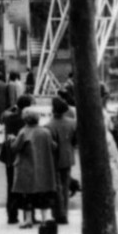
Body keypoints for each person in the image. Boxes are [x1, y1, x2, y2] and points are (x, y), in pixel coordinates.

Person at [12, 107, 57, 229]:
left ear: (25, 119)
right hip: (44, 166)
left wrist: (12, 140)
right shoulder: (45, 131)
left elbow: (16, 147)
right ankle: (44, 219)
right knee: (43, 195)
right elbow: (54, 146)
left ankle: (28, 220)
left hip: (27, 166)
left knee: (27, 195)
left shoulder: (23, 132)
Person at [0, 94, 31, 224]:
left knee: (11, 185)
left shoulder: (9, 118)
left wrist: (14, 107)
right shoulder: (27, 119)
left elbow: (3, 115)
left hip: (10, 155)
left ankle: (12, 215)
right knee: (26, 186)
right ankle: (28, 215)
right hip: (23, 154)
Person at [47, 95, 76, 223]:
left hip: (54, 159)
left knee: (57, 186)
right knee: (65, 186)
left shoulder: (49, 125)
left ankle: (59, 213)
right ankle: (64, 212)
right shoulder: (72, 123)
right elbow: (75, 141)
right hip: (68, 156)